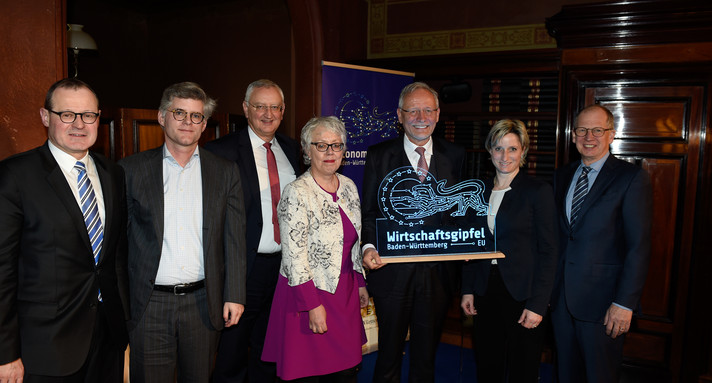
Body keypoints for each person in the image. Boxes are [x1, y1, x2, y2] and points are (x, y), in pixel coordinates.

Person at [0, 78, 129, 382]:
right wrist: (6, 353)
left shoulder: (113, 174)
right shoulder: (15, 176)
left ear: (99, 118)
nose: (79, 124)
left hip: (107, 338)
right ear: (46, 117)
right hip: (45, 346)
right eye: (67, 115)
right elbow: (2, 270)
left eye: (88, 115)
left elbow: (116, 257)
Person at [119, 82, 246, 383]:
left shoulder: (225, 172)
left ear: (204, 125)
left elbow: (235, 239)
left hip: (204, 304)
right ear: (162, 117)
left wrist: (235, 295)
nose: (188, 122)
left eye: (196, 116)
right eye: (180, 113)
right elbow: (118, 244)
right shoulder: (130, 170)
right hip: (149, 304)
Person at [361, 82, 465, 382]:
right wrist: (368, 247)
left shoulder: (455, 155)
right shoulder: (378, 155)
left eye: (428, 110)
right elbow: (370, 211)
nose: (421, 117)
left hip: (438, 274)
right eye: (413, 110)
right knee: (389, 354)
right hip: (391, 271)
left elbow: (461, 211)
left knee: (426, 356)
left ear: (438, 113)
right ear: (399, 114)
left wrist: (467, 243)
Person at [205, 79, 301, 383]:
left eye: (274, 107)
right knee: (232, 354)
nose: (268, 113)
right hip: (243, 268)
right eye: (260, 106)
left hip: (285, 267)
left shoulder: (292, 149)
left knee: (271, 349)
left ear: (283, 111)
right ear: (246, 109)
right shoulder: (219, 152)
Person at [262, 116, 369, 382]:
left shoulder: (350, 187)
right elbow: (294, 256)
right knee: (311, 373)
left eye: (336, 145)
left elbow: (353, 244)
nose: (330, 152)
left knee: (346, 371)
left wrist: (359, 283)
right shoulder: (296, 192)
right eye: (321, 145)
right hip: (309, 296)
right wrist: (312, 305)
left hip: (344, 294)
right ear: (307, 150)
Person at [551, 104, 652, 383]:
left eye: (598, 130)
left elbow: (639, 246)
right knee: (565, 375)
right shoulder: (561, 176)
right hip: (561, 301)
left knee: (600, 377)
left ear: (611, 134)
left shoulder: (631, 178)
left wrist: (624, 303)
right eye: (582, 130)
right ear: (573, 136)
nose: (589, 137)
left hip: (604, 306)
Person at [460, 119, 558, 382]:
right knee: (487, 365)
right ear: (489, 150)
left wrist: (538, 304)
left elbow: (549, 251)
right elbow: (472, 243)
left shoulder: (538, 191)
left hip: (523, 294)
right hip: (485, 290)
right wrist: (468, 289)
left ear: (523, 151)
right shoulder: (478, 192)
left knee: (522, 369)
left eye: (512, 149)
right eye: (498, 148)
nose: (505, 156)